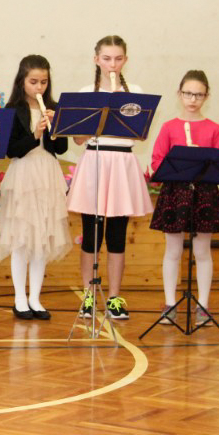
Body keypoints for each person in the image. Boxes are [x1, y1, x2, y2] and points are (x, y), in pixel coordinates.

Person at [65, 35, 154, 319]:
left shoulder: (135, 92)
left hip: (122, 163)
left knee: (117, 236)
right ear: (96, 60)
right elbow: (78, 139)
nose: (112, 64)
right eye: (106, 58)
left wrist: (120, 103)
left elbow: (139, 135)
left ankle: (115, 298)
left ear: (125, 60)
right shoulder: (85, 92)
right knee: (91, 236)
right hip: (95, 160)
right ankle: (89, 296)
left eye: (117, 59)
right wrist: (96, 118)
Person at [0, 55, 71, 320]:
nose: (39, 87)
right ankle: (19, 298)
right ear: (22, 81)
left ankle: (35, 298)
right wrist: (35, 135)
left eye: (44, 82)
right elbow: (11, 150)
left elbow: (61, 148)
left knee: (42, 239)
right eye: (33, 82)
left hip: (47, 174)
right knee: (22, 239)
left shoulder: (55, 108)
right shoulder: (12, 109)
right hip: (24, 173)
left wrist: (55, 127)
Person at [150, 70, 219, 327]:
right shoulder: (169, 127)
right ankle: (170, 304)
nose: (193, 99)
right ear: (179, 94)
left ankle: (203, 306)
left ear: (206, 97)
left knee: (202, 251)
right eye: (188, 94)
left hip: (203, 193)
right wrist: (178, 165)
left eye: (199, 95)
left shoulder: (214, 128)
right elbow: (157, 161)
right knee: (172, 250)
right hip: (175, 192)